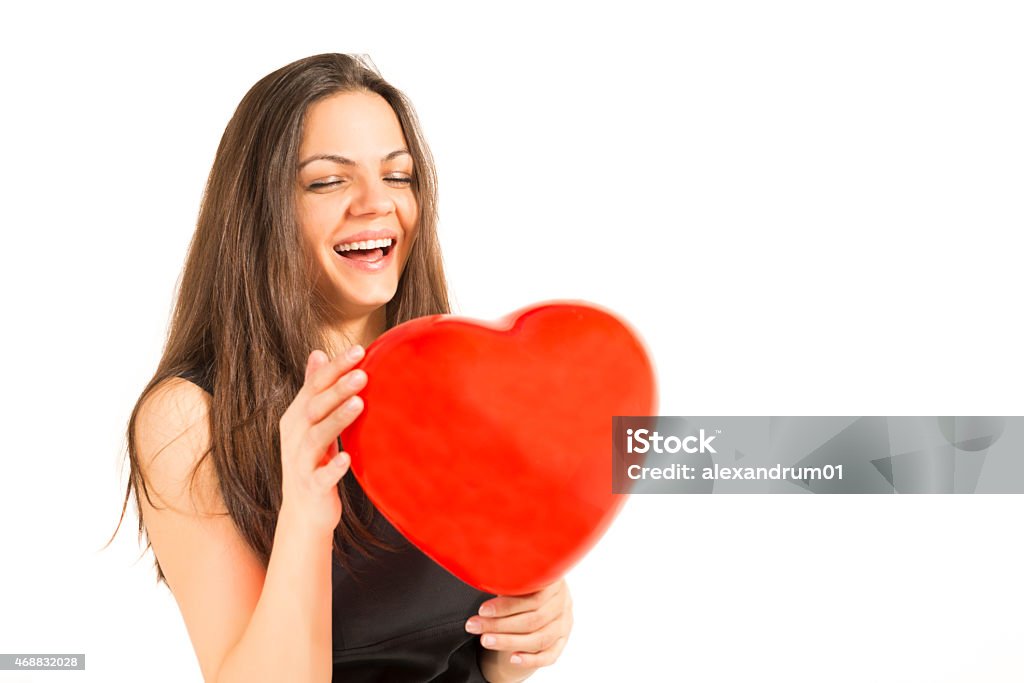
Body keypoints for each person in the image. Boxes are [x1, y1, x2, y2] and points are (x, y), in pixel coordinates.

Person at [116, 53, 573, 682]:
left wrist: (522, 634)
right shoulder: (188, 419)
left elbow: (475, 657)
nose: (375, 204)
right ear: (260, 210)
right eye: (329, 182)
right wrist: (305, 515)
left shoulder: (455, 379)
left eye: (399, 176)